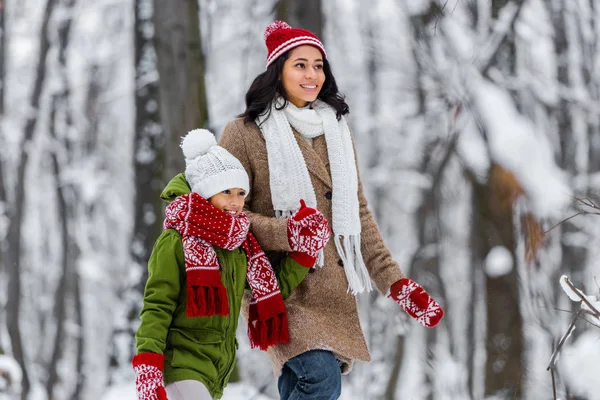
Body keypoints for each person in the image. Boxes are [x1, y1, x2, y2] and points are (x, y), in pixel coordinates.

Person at [217, 21, 445, 400]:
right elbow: (224, 213)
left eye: (318, 65)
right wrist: (288, 232)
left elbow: (358, 216)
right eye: (300, 65)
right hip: (279, 285)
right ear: (278, 70)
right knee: (320, 377)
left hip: (333, 292)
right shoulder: (243, 132)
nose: (312, 74)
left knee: (305, 383)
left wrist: (397, 284)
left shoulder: (336, 130)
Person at [132, 129, 330, 400]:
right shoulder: (175, 242)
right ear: (204, 191)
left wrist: (304, 252)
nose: (235, 202)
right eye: (226, 192)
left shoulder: (237, 245)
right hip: (179, 365)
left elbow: (272, 286)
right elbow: (157, 306)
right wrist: (148, 366)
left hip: (216, 370)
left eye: (240, 193)